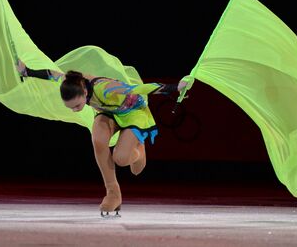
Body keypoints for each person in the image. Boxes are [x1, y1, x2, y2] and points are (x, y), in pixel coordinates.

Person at [16, 60, 187, 217]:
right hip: (108, 112)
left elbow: (138, 89)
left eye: (77, 105)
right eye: (71, 107)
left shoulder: (106, 89)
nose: (75, 110)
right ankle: (113, 193)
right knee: (97, 139)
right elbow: (50, 74)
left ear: (84, 91)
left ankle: (139, 151)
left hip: (133, 112)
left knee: (121, 159)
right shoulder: (70, 82)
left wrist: (174, 88)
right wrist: (27, 71)